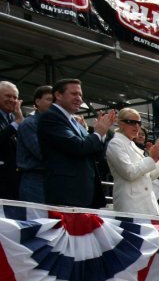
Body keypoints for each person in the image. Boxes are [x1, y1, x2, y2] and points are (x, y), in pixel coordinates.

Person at [38, 78, 115, 208]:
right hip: (66, 193)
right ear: (58, 95)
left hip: (84, 193)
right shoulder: (51, 117)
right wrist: (98, 133)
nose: (79, 98)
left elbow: (92, 151)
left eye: (80, 95)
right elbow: (78, 146)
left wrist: (101, 135)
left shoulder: (73, 121)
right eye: (74, 94)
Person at [105, 108, 159, 215]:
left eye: (139, 123)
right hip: (131, 205)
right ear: (121, 123)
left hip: (145, 204)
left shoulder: (131, 144)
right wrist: (151, 158)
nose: (137, 126)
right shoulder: (116, 143)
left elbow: (146, 176)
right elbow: (129, 173)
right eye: (131, 122)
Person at [15, 85, 52, 203]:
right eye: (49, 99)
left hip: (52, 179)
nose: (53, 103)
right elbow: (41, 152)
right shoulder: (29, 124)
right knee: (37, 214)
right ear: (37, 101)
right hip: (35, 180)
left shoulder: (57, 124)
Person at [0, 80, 23, 200]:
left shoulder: (14, 117)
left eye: (15, 97)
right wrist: (17, 123)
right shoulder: (16, 120)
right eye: (8, 96)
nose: (12, 100)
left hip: (15, 180)